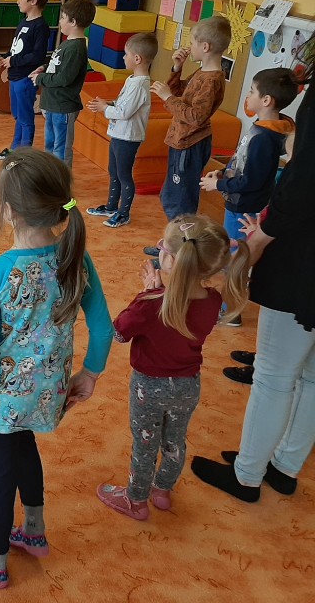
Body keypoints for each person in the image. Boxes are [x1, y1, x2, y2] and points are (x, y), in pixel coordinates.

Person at [0, 148, 113, 589]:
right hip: (50, 392)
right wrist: (90, 373)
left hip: (3, 401)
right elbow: (103, 328)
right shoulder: (75, 256)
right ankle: (33, 530)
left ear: (9, 211)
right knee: (26, 448)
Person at [190, 66, 315, 503]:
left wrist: (263, 234)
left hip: (303, 260)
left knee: (274, 376)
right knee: (311, 377)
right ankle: (284, 467)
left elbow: (302, 179)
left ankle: (247, 474)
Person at [97, 215, 250, 520]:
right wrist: (155, 293)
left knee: (145, 444)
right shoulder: (213, 300)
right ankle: (162, 490)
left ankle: (136, 501)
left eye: (162, 248)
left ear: (170, 260)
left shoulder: (151, 302)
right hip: (188, 385)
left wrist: (147, 292)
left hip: (148, 388)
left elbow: (118, 333)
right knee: (174, 441)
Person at [200, 68, 297, 334]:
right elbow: (241, 162)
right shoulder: (262, 127)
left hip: (244, 208)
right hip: (238, 203)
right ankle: (229, 304)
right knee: (233, 255)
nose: (248, 96)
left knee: (237, 260)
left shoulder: (266, 137)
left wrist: (218, 185)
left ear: (266, 100)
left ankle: (230, 311)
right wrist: (223, 172)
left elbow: (251, 181)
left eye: (252, 91)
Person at [150, 15, 231, 221]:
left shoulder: (212, 80)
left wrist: (167, 98)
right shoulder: (203, 72)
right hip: (182, 140)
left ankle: (182, 240)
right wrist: (177, 68)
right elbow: (181, 93)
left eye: (192, 42)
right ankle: (175, 237)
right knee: (171, 195)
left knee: (180, 201)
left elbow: (196, 116)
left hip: (190, 143)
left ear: (205, 47)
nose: (189, 47)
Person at [85, 33, 157, 228]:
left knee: (124, 175)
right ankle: (111, 207)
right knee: (114, 171)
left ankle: (123, 214)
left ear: (137, 59)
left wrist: (104, 108)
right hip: (119, 134)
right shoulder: (132, 80)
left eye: (126, 54)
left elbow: (124, 112)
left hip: (128, 137)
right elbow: (122, 103)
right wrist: (108, 103)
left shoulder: (140, 85)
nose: (123, 57)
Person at [32, 0, 94, 167]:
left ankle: (62, 180)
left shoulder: (76, 48)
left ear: (73, 22)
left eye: (63, 18)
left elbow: (65, 78)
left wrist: (40, 78)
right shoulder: (68, 44)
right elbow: (58, 66)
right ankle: (52, 177)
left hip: (63, 107)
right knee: (50, 146)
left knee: (61, 149)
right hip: (53, 104)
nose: (60, 21)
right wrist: (44, 68)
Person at [0, 0, 50, 160]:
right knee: (18, 115)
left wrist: (13, 60)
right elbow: (16, 48)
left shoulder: (40, 26)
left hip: (25, 78)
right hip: (15, 76)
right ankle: (15, 149)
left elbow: (38, 56)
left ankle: (24, 156)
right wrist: (5, 57)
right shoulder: (23, 22)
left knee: (25, 118)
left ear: (33, 1)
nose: (18, 1)